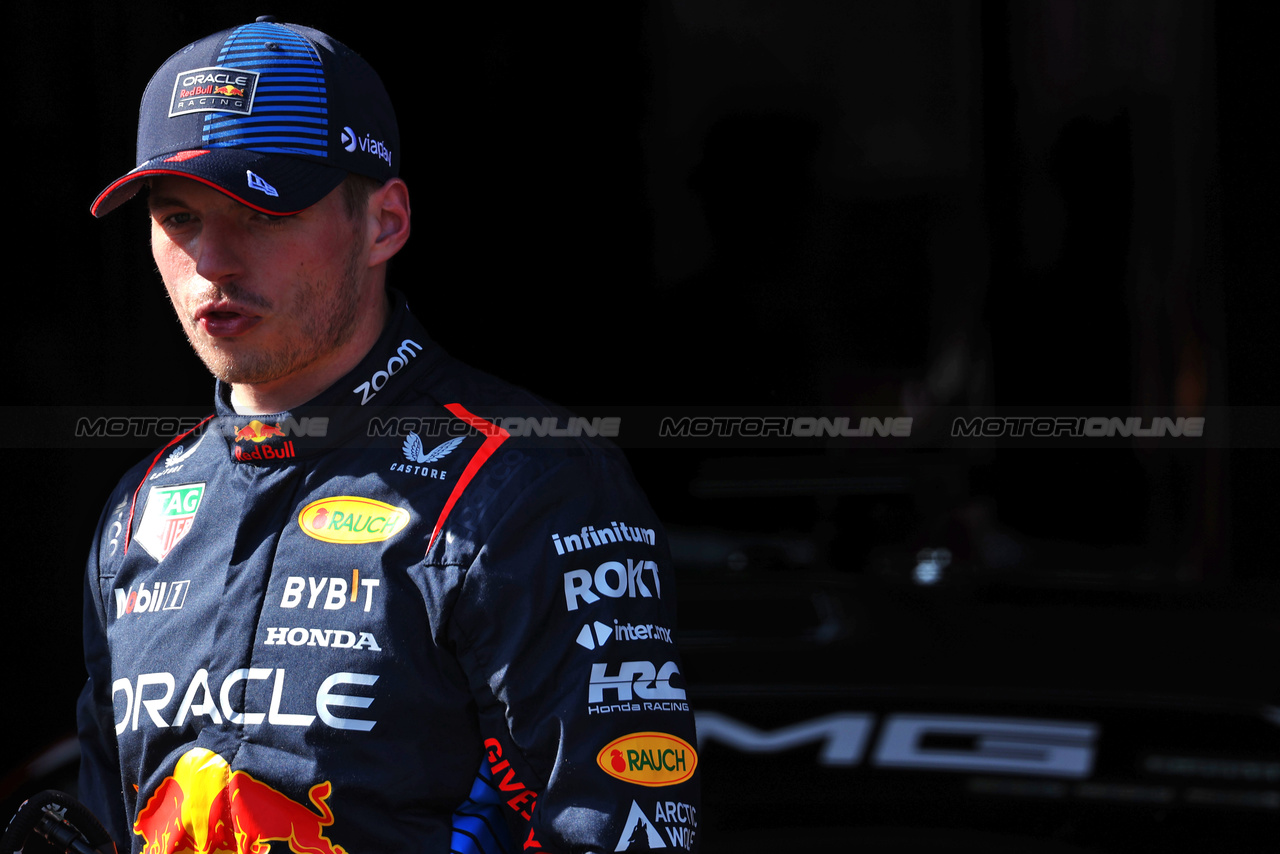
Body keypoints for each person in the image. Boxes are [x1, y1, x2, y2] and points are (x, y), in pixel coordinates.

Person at [79, 18, 699, 854]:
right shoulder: (139, 514)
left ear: (385, 222)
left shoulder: (530, 483)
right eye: (181, 216)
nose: (212, 259)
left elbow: (626, 829)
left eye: (261, 214)